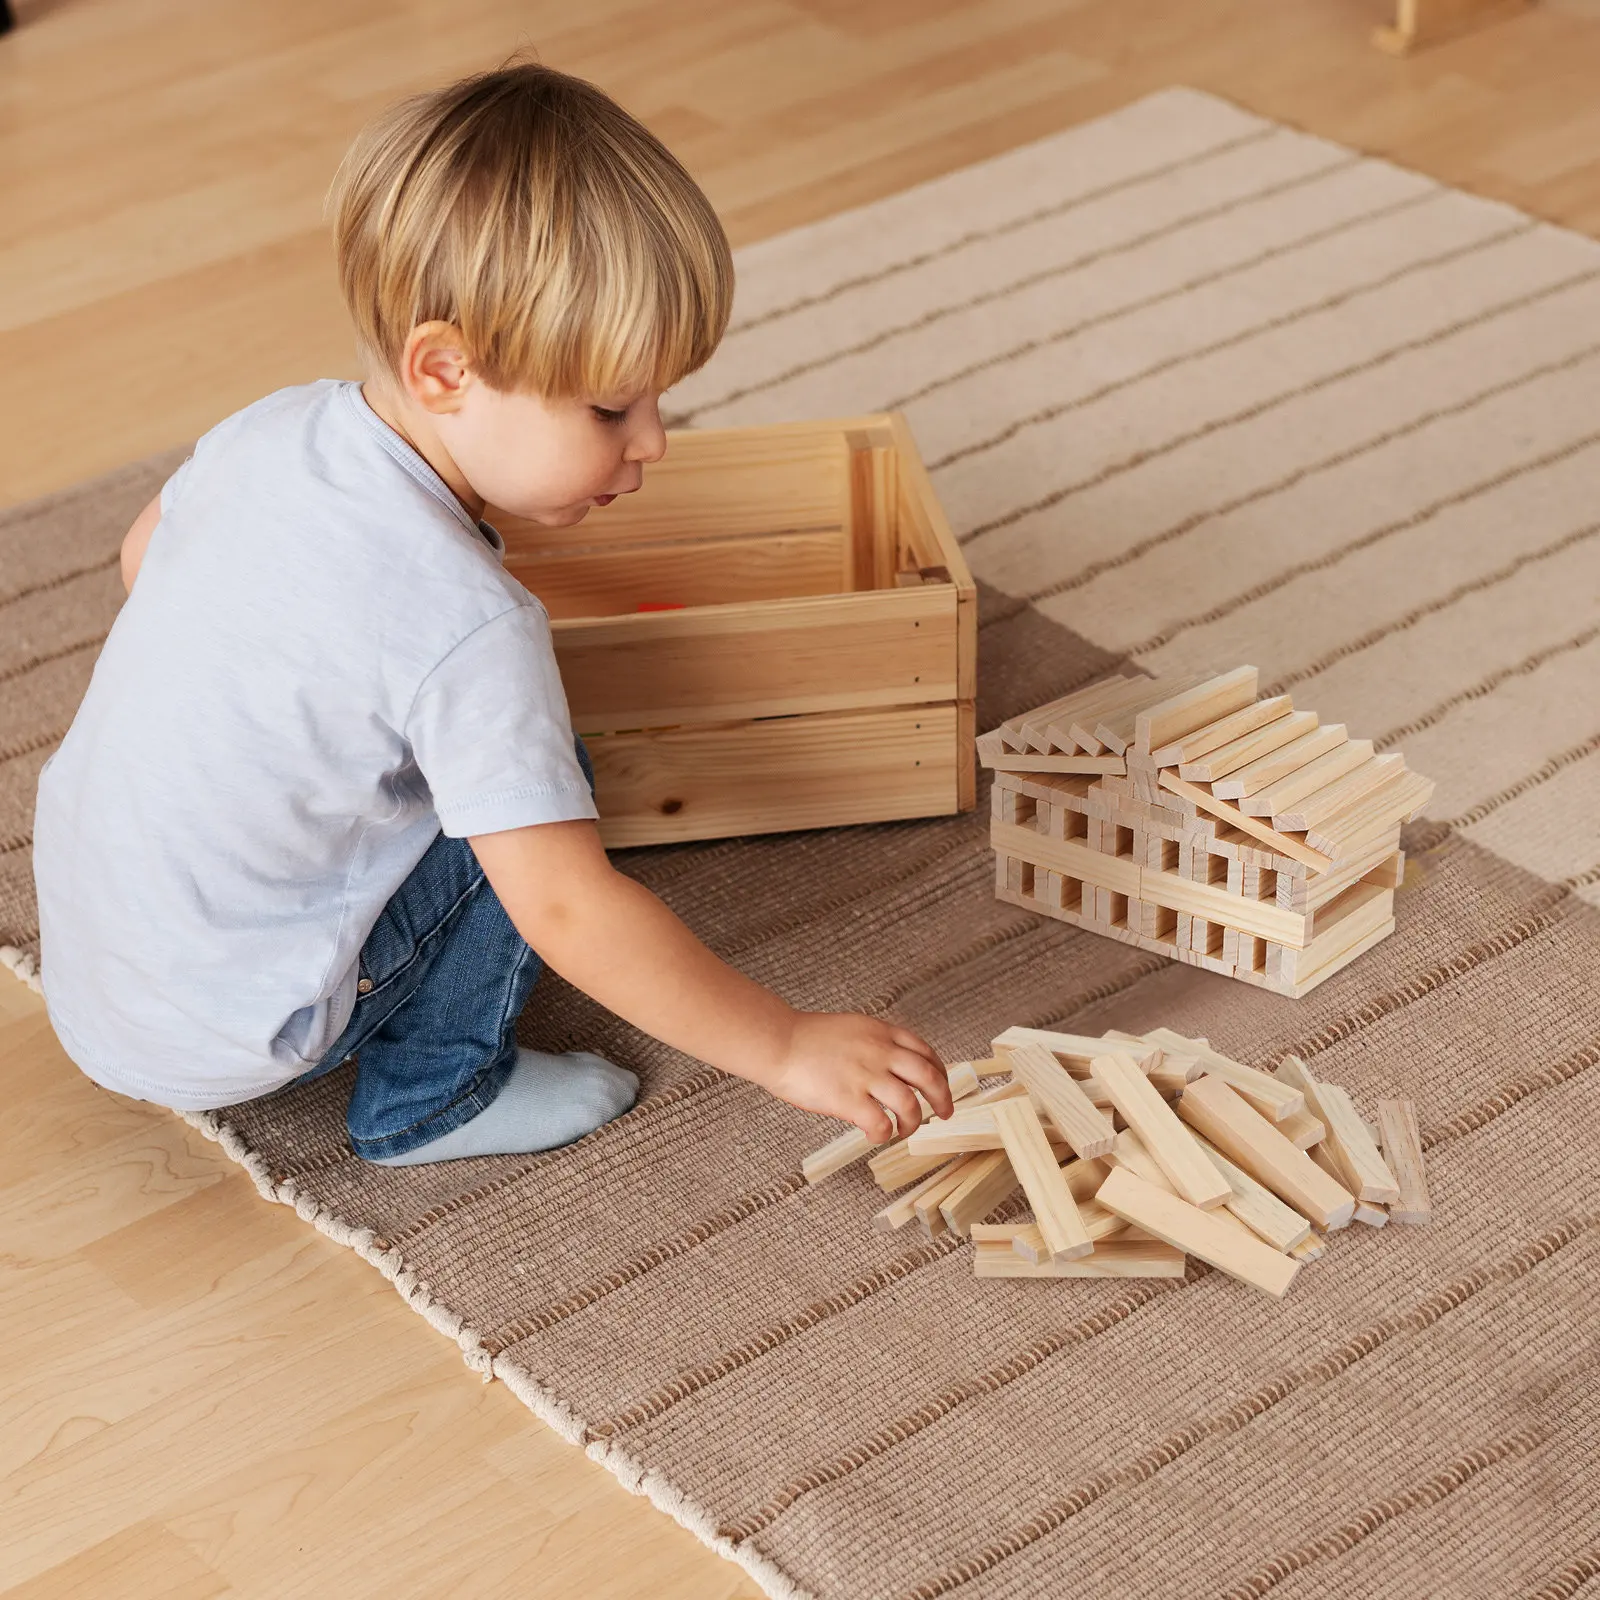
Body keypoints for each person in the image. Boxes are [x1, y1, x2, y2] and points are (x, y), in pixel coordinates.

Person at [32, 61, 951, 1166]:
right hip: (242, 1031)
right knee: (541, 774)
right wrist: (787, 1043)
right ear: (444, 370)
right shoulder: (470, 626)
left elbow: (146, 563)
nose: (654, 440)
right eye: (611, 408)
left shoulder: (270, 431)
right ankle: (434, 1095)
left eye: (659, 400)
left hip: (99, 972)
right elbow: (568, 913)